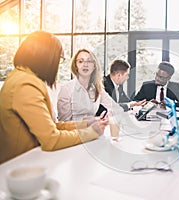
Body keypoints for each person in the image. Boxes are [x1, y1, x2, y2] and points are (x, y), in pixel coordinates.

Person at [0, 31, 109, 164]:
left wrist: (86, 124)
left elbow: (51, 126)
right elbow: (51, 139)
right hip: (20, 164)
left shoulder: (23, 77)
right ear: (46, 57)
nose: (57, 64)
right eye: (59, 58)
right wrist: (91, 132)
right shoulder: (26, 84)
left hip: (28, 159)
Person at [57, 49, 123, 121]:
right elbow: (63, 124)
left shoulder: (97, 88)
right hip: (74, 131)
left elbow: (117, 109)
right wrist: (94, 120)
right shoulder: (66, 89)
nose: (85, 65)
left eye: (89, 61)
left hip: (95, 130)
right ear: (75, 65)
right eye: (80, 61)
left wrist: (109, 115)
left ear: (94, 66)